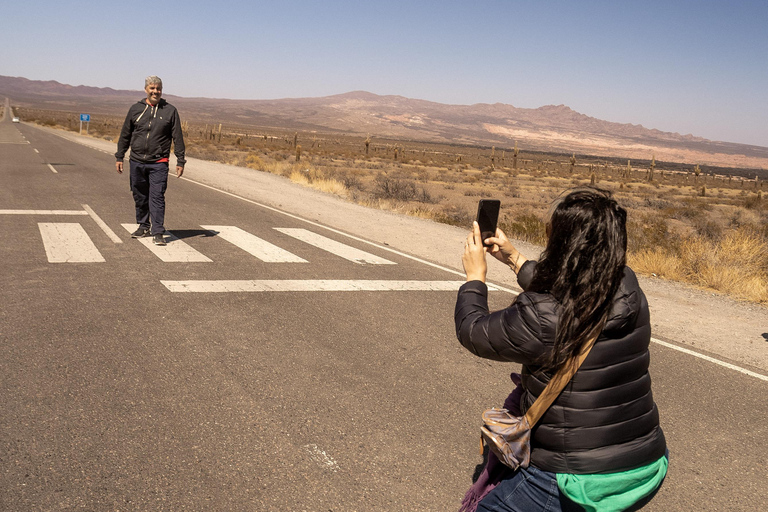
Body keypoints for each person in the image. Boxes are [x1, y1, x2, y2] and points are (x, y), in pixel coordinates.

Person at [455, 188, 668, 512]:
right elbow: (570, 287)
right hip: (646, 464)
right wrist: (514, 258)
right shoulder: (627, 284)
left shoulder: (542, 315)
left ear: (560, 244)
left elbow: (473, 332)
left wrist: (475, 278)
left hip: (579, 479)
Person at [115, 75, 186, 246]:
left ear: (162, 90)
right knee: (139, 195)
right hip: (137, 161)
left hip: (158, 162)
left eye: (158, 88)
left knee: (157, 196)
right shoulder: (135, 109)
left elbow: (178, 137)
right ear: (146, 89)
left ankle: (158, 231)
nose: (156, 91)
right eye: (152, 88)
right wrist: (119, 156)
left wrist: (180, 160)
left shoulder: (170, 111)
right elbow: (125, 134)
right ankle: (143, 225)